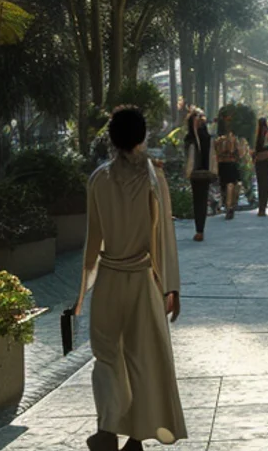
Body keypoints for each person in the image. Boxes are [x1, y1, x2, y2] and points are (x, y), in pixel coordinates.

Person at [76, 106, 186, 451]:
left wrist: (82, 293)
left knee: (107, 357)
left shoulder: (98, 179)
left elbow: (92, 241)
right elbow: (164, 237)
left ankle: (107, 429)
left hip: (108, 277)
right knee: (141, 359)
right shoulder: (154, 178)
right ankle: (136, 438)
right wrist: (171, 287)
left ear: (112, 139)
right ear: (143, 137)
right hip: (142, 279)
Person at [182, 109, 215, 242]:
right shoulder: (204, 136)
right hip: (203, 172)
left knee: (199, 201)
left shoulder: (193, 137)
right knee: (201, 200)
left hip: (198, 172)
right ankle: (200, 229)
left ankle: (199, 230)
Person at [214, 115, 244, 221]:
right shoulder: (218, 140)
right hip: (223, 164)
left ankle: (230, 206)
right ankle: (228, 206)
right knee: (224, 186)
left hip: (231, 164)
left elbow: (239, 153)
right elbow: (216, 153)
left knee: (231, 185)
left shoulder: (234, 139)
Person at [251, 118, 268, 218]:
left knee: (261, 184)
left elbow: (253, 148)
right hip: (266, 160)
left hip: (258, 161)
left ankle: (261, 208)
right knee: (265, 184)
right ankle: (263, 207)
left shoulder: (256, 135)